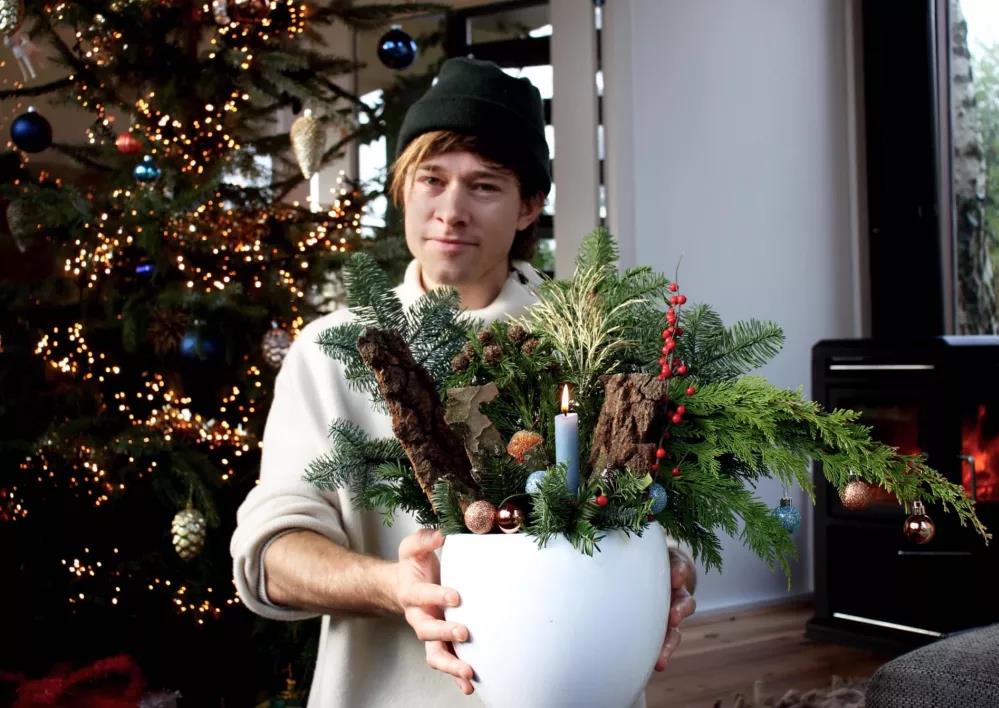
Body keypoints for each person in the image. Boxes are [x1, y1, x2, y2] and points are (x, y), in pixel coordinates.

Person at [230, 57, 696, 707]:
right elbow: (272, 556)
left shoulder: (595, 342)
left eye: (484, 186)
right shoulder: (328, 354)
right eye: (432, 179)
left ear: (529, 206)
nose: (450, 211)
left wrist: (667, 570)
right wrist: (395, 586)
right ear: (403, 189)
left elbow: (662, 514)